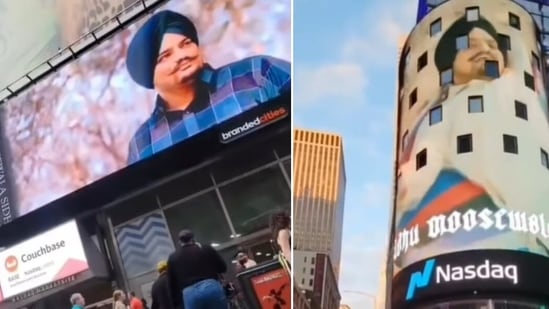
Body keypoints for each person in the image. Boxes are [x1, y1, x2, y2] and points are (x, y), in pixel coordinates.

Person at [395, 14, 549, 270]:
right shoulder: (441, 112)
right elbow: (414, 181)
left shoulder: (517, 92)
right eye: (471, 43)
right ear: (449, 62)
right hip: (511, 239)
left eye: (491, 45)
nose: (485, 50)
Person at [125, 10, 291, 164]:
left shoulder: (257, 73)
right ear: (148, 77)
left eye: (186, 43)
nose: (182, 56)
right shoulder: (142, 146)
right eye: (166, 56)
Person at [167, 229, 228, 309]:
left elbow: (172, 285)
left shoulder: (173, 258)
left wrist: (176, 305)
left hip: (190, 293)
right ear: (193, 239)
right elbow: (222, 268)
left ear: (180, 242)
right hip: (210, 287)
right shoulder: (206, 249)